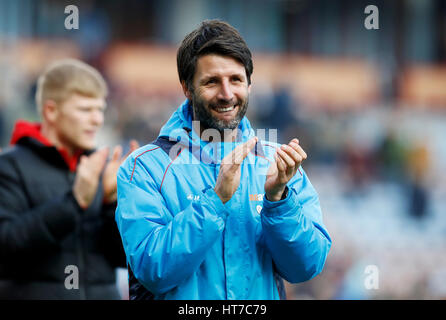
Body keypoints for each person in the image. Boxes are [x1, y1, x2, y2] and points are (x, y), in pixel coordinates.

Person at [115, 20, 331, 300]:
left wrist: (279, 201)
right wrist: (216, 200)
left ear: (250, 85)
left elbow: (306, 267)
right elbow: (153, 270)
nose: (227, 94)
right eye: (211, 82)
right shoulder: (143, 168)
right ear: (187, 88)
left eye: (236, 80)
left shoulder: (279, 164)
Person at [0, 59, 138, 299]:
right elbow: (6, 247)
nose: (97, 120)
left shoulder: (101, 168)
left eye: (100, 110)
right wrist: (74, 202)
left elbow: (123, 260)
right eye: (86, 109)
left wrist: (111, 203)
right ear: (51, 111)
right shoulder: (9, 167)